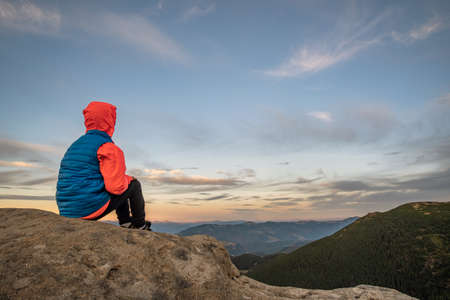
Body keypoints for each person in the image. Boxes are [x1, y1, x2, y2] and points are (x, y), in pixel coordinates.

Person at [56, 101, 151, 230]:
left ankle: (126, 223)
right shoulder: (106, 146)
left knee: (121, 182)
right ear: (109, 121)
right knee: (133, 185)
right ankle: (140, 225)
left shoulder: (76, 144)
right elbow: (116, 187)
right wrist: (128, 180)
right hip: (86, 209)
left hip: (67, 209)